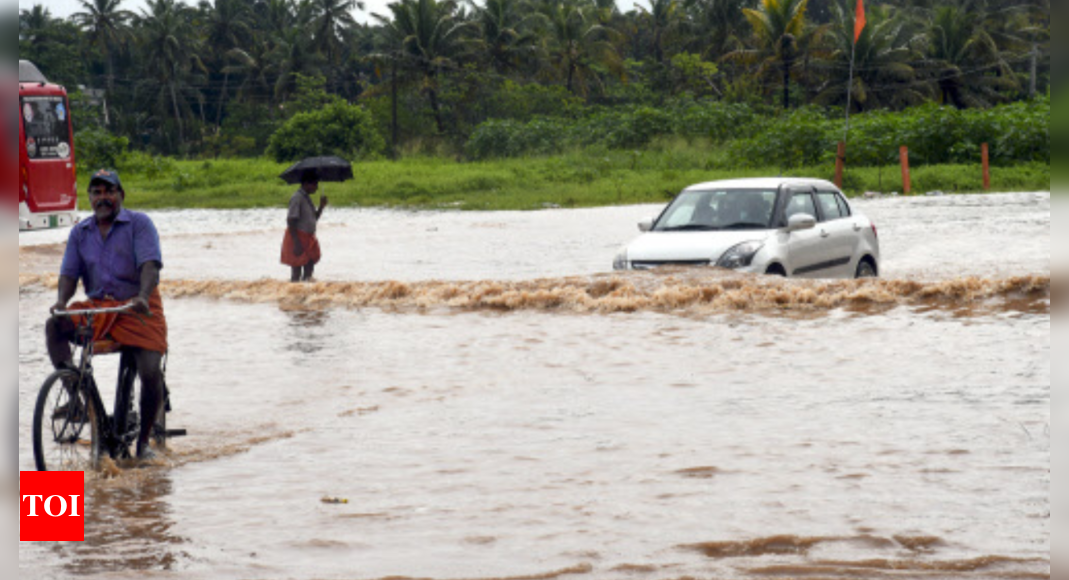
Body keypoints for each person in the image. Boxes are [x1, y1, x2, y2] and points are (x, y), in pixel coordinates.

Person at [46, 169, 168, 462]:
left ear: (120, 196)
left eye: (109, 191)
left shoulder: (139, 224)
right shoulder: (80, 232)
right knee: (55, 326)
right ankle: (78, 399)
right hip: (99, 307)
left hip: (138, 305)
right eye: (97, 192)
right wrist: (62, 301)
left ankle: (143, 444)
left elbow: (150, 266)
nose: (103, 198)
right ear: (89, 198)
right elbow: (68, 274)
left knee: (150, 371)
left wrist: (141, 295)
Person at [281, 170, 328, 282]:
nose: (316, 187)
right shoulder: (297, 198)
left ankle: (305, 293)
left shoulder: (306, 197)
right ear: (306, 183)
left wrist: (321, 207)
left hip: (308, 237)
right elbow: (291, 220)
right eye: (314, 184)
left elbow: (313, 219)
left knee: (309, 267)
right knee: (296, 270)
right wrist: (296, 243)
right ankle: (294, 294)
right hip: (298, 237)